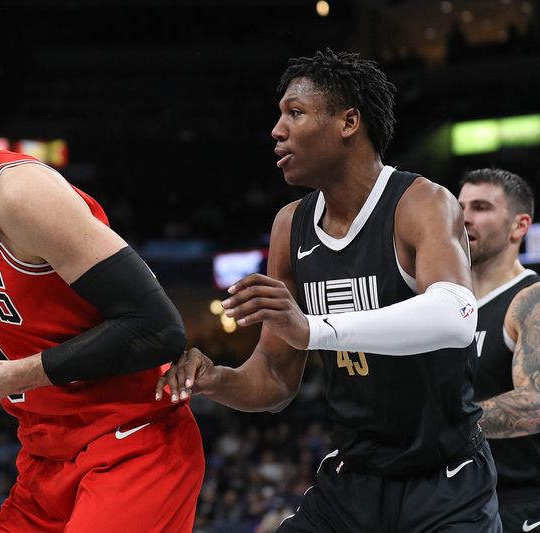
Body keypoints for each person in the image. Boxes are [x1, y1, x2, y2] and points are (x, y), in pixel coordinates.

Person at [157, 49, 501, 532]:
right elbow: (275, 380)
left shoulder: (420, 202)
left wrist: (312, 329)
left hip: (444, 482)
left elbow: (456, 317)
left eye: (295, 113)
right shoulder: (289, 225)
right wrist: (216, 380)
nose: (277, 131)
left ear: (349, 122)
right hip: (351, 483)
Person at [0, 37, 204, 532]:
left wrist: (3, 380)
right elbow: (35, 310)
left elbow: (158, 328)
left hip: (132, 441)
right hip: (45, 457)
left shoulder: (16, 192)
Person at [459, 168, 540, 533]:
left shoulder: (536, 299)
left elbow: (538, 407)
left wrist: (442, 423)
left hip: (520, 505)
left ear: (519, 226)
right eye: (459, 206)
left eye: (480, 207)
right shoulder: (441, 301)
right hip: (449, 502)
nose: (463, 217)